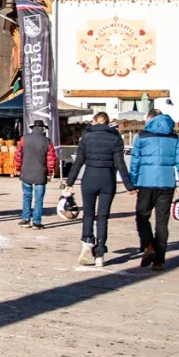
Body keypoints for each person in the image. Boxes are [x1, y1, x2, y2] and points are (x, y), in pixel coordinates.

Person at [63, 111, 135, 268]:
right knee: (103, 217)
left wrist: (69, 182)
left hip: (89, 178)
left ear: (95, 121)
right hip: (108, 180)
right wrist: (129, 186)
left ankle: (87, 241)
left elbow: (78, 162)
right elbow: (120, 164)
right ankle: (100, 254)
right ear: (108, 122)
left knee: (88, 213)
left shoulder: (86, 137)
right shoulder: (116, 138)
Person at [130, 109, 179, 271]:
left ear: (149, 118)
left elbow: (135, 161)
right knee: (162, 222)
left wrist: (132, 182)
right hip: (167, 184)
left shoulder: (142, 136)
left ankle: (149, 245)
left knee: (142, 216)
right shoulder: (174, 137)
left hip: (146, 182)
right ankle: (159, 261)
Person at [14, 120, 58, 229]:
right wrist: (50, 172)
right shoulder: (47, 141)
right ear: (43, 129)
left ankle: (25, 219)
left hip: (26, 171)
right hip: (41, 173)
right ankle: (36, 222)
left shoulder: (24, 139)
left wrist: (19, 168)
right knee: (39, 198)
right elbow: (51, 159)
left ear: (33, 128)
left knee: (26, 196)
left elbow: (18, 155)